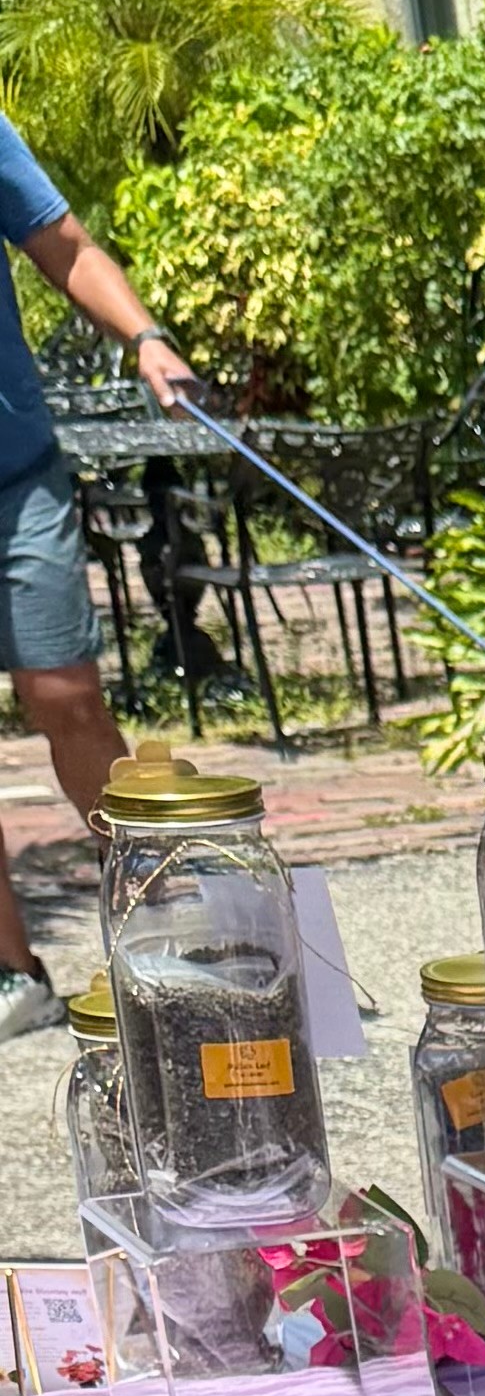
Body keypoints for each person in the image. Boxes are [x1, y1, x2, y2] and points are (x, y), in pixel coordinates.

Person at [0, 109, 198, 1038]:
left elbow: (65, 246)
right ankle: (15, 977)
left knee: (65, 693)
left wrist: (145, 337)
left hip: (16, 474)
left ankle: (167, 932)